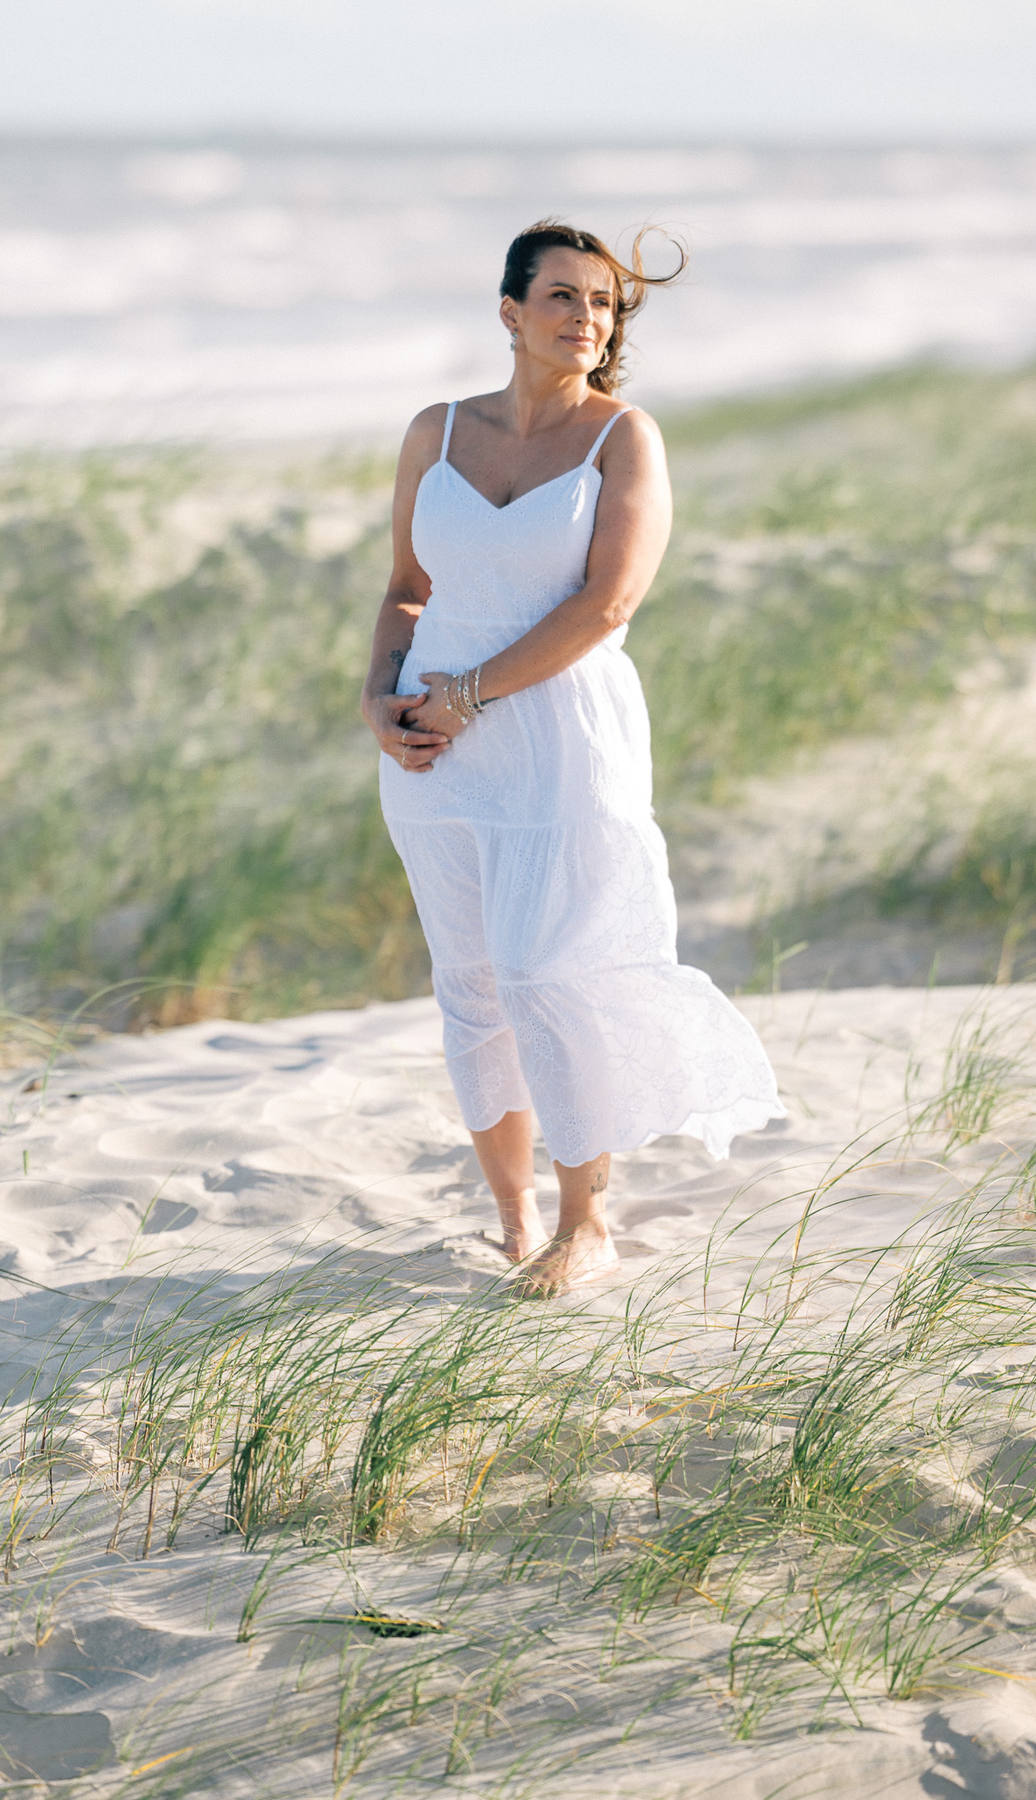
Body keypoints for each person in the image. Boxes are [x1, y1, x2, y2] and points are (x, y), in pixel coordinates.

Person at [361, 219, 784, 1297]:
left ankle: (583, 1219)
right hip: (432, 750)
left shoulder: (622, 440)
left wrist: (464, 696)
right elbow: (409, 589)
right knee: (472, 983)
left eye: (602, 305)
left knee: (552, 974)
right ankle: (511, 1212)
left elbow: (609, 605)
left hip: (560, 735)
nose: (586, 319)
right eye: (563, 297)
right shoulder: (435, 431)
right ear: (510, 313)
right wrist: (382, 697)